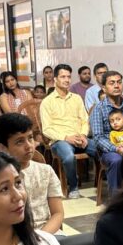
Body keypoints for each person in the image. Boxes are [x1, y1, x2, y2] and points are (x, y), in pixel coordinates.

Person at [0, 112, 64, 233]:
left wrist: (41, 237)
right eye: (19, 142)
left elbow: (58, 213)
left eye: (30, 138)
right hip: (14, 236)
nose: (28, 146)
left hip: (48, 233)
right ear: (3, 148)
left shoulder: (46, 171)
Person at [40, 64, 97, 199]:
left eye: (68, 77)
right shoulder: (47, 102)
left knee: (101, 148)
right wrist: (66, 137)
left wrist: (83, 135)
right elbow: (46, 129)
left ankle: (104, 182)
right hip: (60, 141)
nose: (66, 80)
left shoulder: (76, 98)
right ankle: (73, 187)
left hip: (79, 138)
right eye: (63, 77)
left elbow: (85, 120)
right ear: (55, 79)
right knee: (68, 157)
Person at [90, 70, 123, 194]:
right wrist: (117, 149)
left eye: (119, 82)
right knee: (117, 160)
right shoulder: (99, 109)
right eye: (112, 83)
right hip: (110, 150)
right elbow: (98, 138)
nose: (117, 86)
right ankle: (116, 200)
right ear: (104, 88)